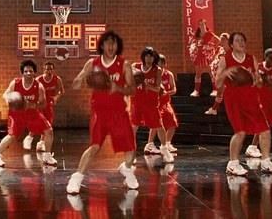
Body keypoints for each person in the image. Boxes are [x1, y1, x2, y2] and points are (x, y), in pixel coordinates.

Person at [66, 30, 138, 195]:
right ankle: (76, 178)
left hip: (119, 113)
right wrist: (79, 81)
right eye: (107, 43)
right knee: (95, 146)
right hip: (99, 112)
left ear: (117, 46)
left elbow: (133, 90)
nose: (111, 46)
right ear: (102, 46)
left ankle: (127, 170)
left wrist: (118, 88)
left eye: (114, 43)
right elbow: (77, 82)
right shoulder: (93, 63)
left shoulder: (124, 65)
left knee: (131, 149)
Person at [215, 32, 272, 176]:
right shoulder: (225, 59)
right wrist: (225, 73)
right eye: (237, 40)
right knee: (240, 133)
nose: (241, 42)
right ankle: (232, 164)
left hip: (251, 99)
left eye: (242, 40)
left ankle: (266, 162)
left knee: (265, 130)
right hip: (234, 100)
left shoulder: (252, 59)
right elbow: (217, 83)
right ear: (231, 45)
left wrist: (256, 79)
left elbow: (259, 83)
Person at [0, 60, 58, 168]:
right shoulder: (15, 83)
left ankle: (47, 156)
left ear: (34, 72)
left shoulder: (39, 86)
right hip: (17, 115)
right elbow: (5, 94)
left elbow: (43, 104)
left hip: (32, 114)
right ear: (22, 73)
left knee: (49, 130)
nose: (28, 73)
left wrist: (32, 105)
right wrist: (10, 100)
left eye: (31, 71)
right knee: (12, 136)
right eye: (26, 71)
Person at [130, 46, 174, 164]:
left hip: (151, 103)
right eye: (147, 56)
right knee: (133, 127)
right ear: (143, 57)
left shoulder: (157, 70)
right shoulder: (135, 67)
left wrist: (145, 84)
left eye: (151, 57)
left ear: (154, 58)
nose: (149, 59)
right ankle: (131, 153)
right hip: (137, 101)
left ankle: (164, 149)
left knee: (159, 126)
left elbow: (157, 88)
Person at [24, 60, 65, 152]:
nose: (49, 71)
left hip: (49, 104)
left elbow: (62, 91)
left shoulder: (57, 79)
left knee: (48, 124)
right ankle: (29, 137)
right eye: (47, 69)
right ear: (44, 70)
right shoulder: (39, 79)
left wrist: (56, 97)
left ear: (53, 70)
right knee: (39, 121)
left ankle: (41, 143)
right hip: (40, 104)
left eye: (51, 69)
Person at [147, 54, 178, 153]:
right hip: (156, 103)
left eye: (161, 63)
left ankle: (167, 143)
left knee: (173, 123)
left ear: (164, 64)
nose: (159, 65)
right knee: (156, 124)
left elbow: (174, 89)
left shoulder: (169, 74)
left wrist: (166, 93)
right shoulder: (153, 74)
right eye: (157, 63)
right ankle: (150, 144)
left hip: (166, 103)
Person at [188, 19, 221, 97]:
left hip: (207, 56)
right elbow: (190, 42)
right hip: (199, 56)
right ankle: (196, 91)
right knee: (198, 73)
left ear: (205, 25)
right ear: (198, 25)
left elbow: (218, 40)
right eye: (200, 24)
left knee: (211, 73)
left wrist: (212, 48)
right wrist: (194, 46)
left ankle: (215, 90)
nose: (201, 25)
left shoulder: (209, 33)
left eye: (203, 24)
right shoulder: (197, 34)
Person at [205, 32, 230, 115]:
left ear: (228, 40)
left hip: (229, 74)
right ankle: (214, 109)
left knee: (226, 92)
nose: (221, 41)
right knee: (220, 92)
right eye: (221, 39)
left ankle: (214, 108)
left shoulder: (232, 50)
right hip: (221, 74)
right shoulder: (220, 49)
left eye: (223, 39)